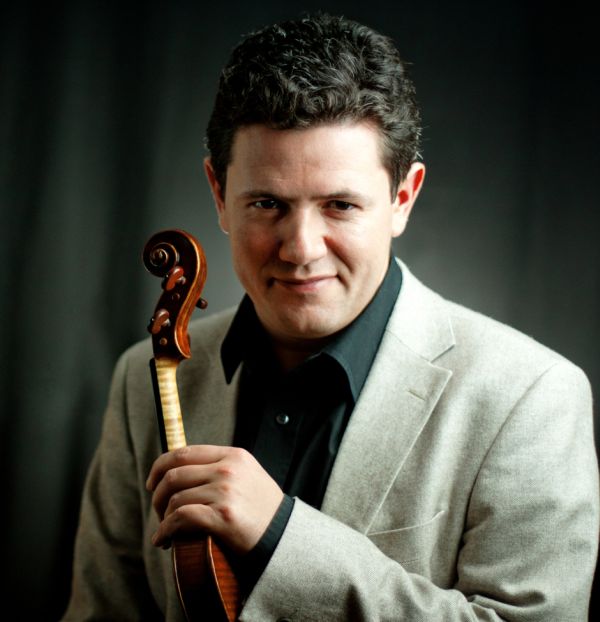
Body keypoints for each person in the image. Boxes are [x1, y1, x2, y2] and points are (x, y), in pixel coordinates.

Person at [62, 13, 599, 621]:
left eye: (340, 205)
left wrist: (280, 535)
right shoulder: (147, 380)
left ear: (403, 198)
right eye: (267, 203)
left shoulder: (532, 398)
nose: (301, 249)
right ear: (218, 194)